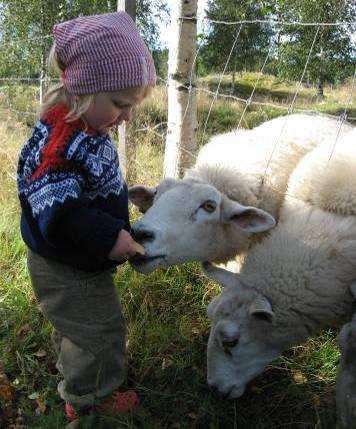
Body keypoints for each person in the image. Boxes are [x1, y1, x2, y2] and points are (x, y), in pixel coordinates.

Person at [17, 11, 156, 420]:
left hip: (76, 261)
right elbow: (60, 212)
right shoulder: (61, 143)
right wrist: (109, 238)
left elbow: (92, 188)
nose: (126, 116)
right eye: (119, 104)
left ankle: (76, 375)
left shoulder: (88, 130)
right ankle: (91, 402)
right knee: (99, 331)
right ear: (83, 89)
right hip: (67, 267)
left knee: (79, 326)